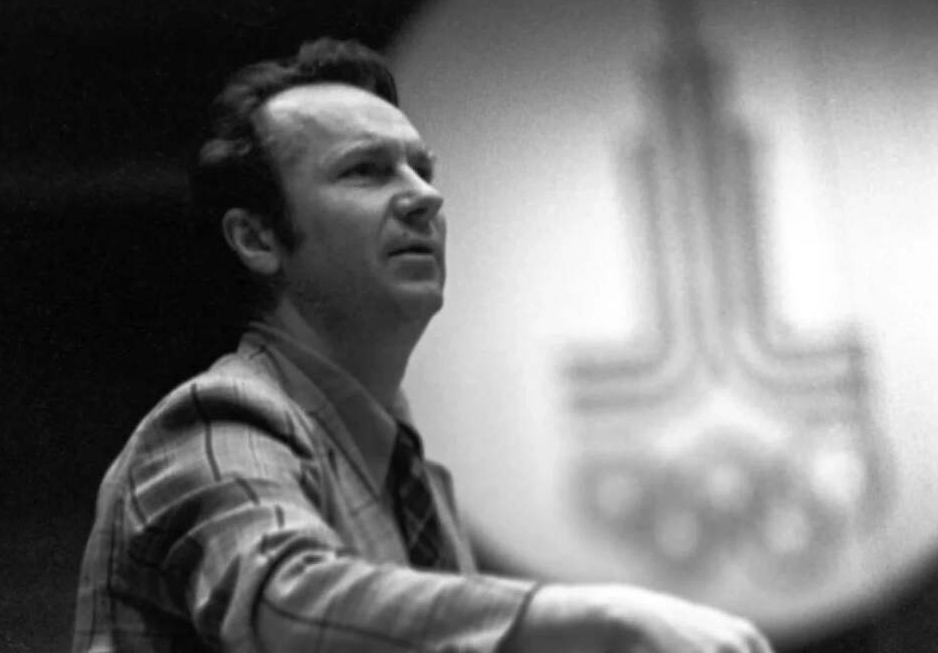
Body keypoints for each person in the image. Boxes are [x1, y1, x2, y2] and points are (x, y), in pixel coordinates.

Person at [72, 38, 773, 653]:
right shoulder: (218, 419)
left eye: (421, 170)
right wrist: (597, 615)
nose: (424, 198)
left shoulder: (410, 479)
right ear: (257, 238)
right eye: (365, 171)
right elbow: (287, 606)